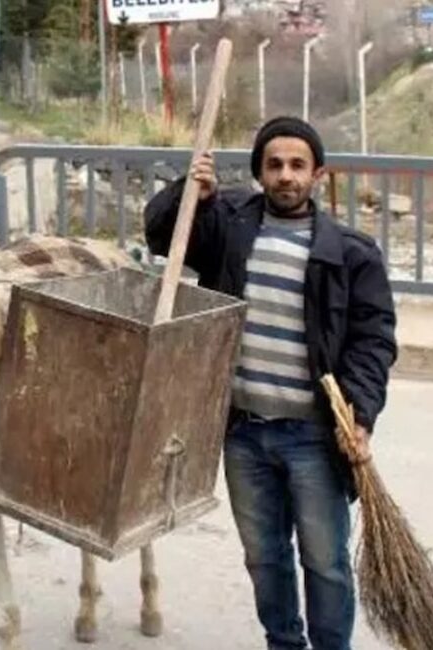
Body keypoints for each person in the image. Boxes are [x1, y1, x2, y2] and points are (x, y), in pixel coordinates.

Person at [143, 116, 398, 650]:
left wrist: (361, 416)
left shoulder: (352, 254)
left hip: (314, 436)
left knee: (325, 562)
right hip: (243, 433)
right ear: (260, 172)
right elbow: (164, 236)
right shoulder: (229, 230)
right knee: (265, 556)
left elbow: (373, 343)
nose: (286, 175)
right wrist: (190, 193)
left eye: (297, 165)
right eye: (274, 165)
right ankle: (283, 643)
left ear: (319, 175)